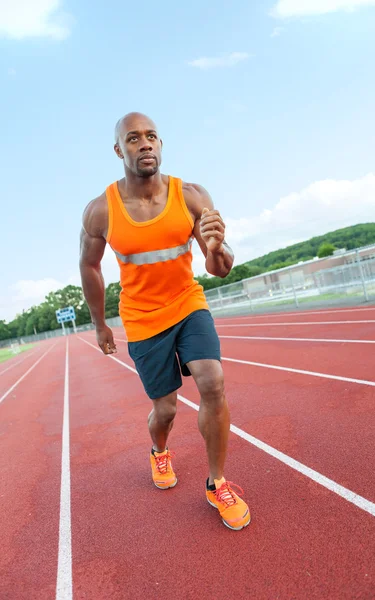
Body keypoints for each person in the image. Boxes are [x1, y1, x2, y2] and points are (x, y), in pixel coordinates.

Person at [79, 112, 250, 530]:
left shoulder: (191, 195)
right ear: (119, 150)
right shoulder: (101, 211)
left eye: (151, 136)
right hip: (141, 317)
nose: (145, 144)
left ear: (161, 143)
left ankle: (217, 482)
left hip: (188, 302)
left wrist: (217, 246)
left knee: (212, 381)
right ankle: (159, 451)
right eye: (134, 138)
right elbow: (89, 265)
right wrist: (100, 324)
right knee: (167, 409)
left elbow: (220, 268)